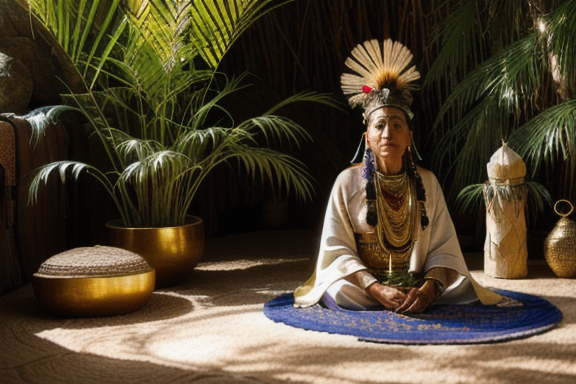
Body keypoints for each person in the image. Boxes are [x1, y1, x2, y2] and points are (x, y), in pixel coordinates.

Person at [294, 39, 501, 313]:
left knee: (461, 285)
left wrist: (427, 290)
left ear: (409, 138)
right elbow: (337, 251)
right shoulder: (347, 183)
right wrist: (375, 287)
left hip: (415, 281)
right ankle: (382, 296)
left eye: (396, 125)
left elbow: (444, 249)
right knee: (340, 291)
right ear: (367, 138)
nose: (387, 134)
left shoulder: (427, 182)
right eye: (379, 126)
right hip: (365, 286)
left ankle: (414, 296)